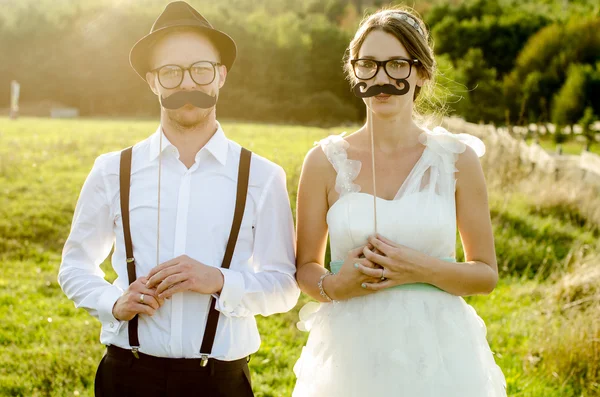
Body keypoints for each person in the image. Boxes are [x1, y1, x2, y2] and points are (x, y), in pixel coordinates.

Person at [57, 2, 299, 396]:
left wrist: (219, 280)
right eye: (171, 72)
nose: (188, 83)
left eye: (201, 69)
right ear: (153, 81)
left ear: (220, 76)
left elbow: (283, 286)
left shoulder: (262, 176)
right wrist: (113, 303)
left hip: (220, 381)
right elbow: (74, 266)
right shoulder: (111, 170)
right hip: (127, 376)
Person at [293, 7, 507, 396]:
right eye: (368, 65)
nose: (381, 79)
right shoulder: (323, 162)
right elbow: (305, 266)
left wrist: (418, 268)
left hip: (439, 354)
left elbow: (485, 274)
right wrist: (337, 285)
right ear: (354, 72)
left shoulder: (457, 160)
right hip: (350, 354)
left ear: (421, 72)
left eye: (396, 65)